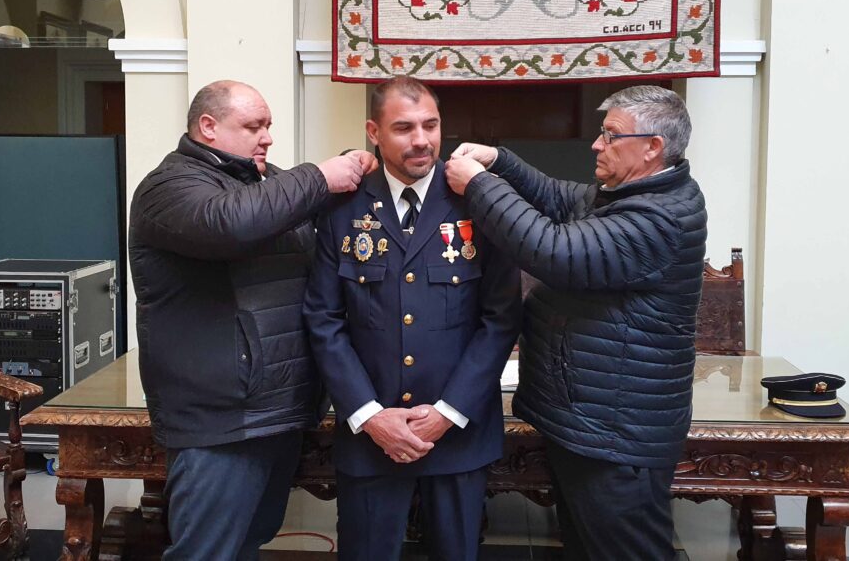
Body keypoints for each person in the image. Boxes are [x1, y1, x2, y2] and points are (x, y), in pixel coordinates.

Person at [445, 84, 707, 561]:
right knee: (587, 547)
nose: (596, 144)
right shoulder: (629, 193)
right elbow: (559, 199)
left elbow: (554, 251)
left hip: (617, 429)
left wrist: (480, 186)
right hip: (592, 418)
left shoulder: (658, 217)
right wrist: (499, 161)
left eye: (611, 136)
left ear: (653, 147)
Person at [129, 80, 375, 561]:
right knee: (206, 552)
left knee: (248, 541)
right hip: (221, 416)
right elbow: (232, 223)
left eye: (269, 126)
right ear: (208, 127)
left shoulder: (267, 183)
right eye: (253, 126)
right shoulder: (169, 187)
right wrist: (321, 176)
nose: (267, 138)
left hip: (276, 407)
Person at [303, 76, 522, 560]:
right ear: (373, 132)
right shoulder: (342, 205)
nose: (421, 139)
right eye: (403, 127)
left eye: (431, 124)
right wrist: (368, 414)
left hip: (456, 434)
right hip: (371, 435)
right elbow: (323, 318)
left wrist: (447, 414)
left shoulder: (478, 199)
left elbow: (501, 317)